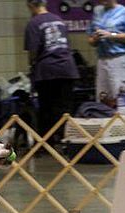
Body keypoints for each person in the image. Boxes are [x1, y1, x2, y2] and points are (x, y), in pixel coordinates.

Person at [24, 0, 79, 141]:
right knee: (65, 109)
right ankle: (67, 140)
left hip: (47, 71)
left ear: (30, 5)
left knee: (46, 108)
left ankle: (46, 143)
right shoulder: (59, 20)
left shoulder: (34, 23)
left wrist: (31, 66)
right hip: (68, 69)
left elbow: (33, 52)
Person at [87, 0, 125, 104]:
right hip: (102, 60)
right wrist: (96, 38)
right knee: (103, 98)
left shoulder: (124, 12)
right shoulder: (97, 11)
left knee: (122, 99)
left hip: (120, 60)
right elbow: (91, 40)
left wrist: (111, 35)